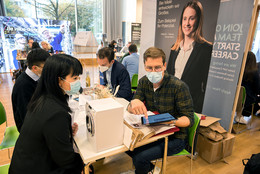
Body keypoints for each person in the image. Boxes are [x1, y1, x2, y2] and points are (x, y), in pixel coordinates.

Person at [9, 54, 84, 174]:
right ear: (59, 80)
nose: (78, 82)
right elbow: (65, 159)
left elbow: (46, 131)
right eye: (74, 78)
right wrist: (83, 161)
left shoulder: (42, 98)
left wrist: (64, 131)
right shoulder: (56, 112)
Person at [127, 47, 194, 174]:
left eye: (157, 67)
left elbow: (188, 119)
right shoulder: (143, 82)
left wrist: (170, 122)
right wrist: (133, 103)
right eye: (149, 68)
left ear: (164, 65)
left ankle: (144, 168)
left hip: (175, 138)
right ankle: (148, 168)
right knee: (127, 147)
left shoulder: (178, 87)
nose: (153, 71)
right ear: (145, 66)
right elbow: (131, 108)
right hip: (153, 132)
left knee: (140, 157)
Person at [166, 1, 212, 113]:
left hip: (190, 108)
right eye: (184, 18)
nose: (187, 23)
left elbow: (206, 86)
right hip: (171, 105)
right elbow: (168, 77)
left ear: (198, 21)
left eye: (191, 18)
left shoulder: (206, 49)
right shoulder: (175, 48)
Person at [11, 48, 50, 132]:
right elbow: (27, 117)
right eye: (46, 68)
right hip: (30, 130)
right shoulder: (23, 86)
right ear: (35, 68)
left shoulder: (37, 77)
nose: (48, 70)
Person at [236, 51, 260, 124]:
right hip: (246, 100)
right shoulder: (254, 72)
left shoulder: (237, 69)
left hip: (234, 98)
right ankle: (242, 115)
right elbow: (258, 90)